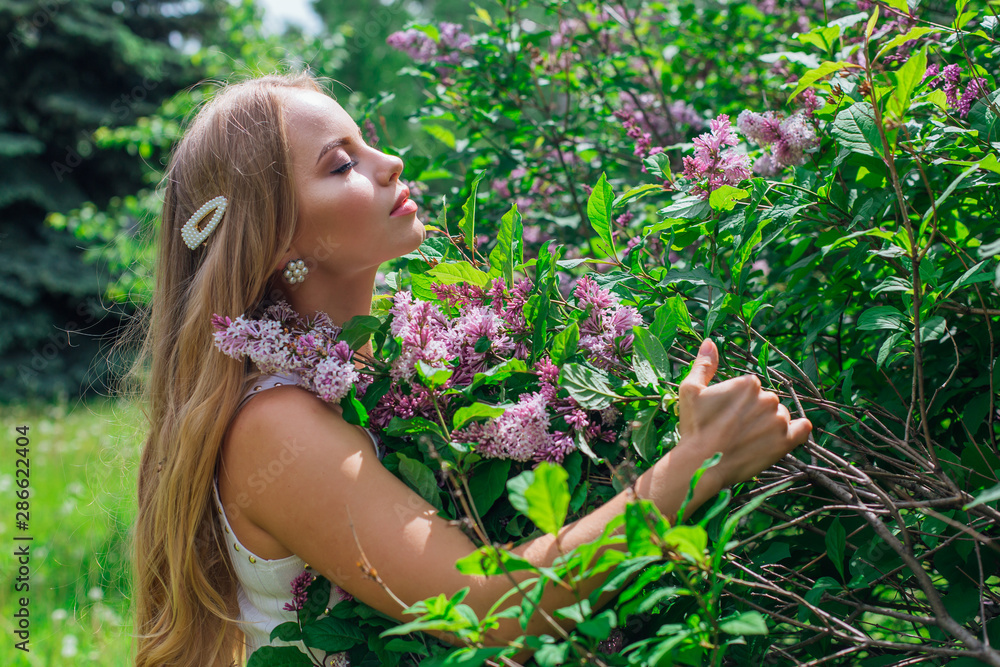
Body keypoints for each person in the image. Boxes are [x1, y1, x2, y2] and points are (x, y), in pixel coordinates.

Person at [130, 71, 811, 667]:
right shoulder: (274, 427)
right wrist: (696, 462)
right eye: (342, 165)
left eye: (367, 144)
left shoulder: (393, 360)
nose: (392, 161)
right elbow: (491, 612)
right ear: (278, 238)